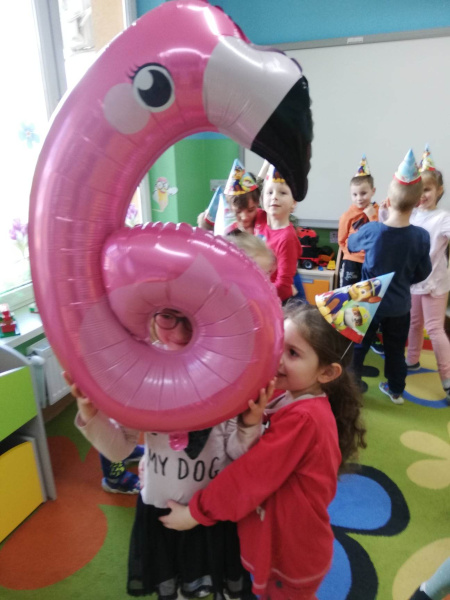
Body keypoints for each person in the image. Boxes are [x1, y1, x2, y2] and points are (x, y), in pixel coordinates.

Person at [160, 301, 367, 600]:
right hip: (283, 540)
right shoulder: (291, 395)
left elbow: (250, 475)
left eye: (292, 353)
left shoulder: (304, 419)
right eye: (279, 345)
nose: (278, 358)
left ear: (326, 372)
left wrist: (196, 512)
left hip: (291, 553)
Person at [68, 307, 271, 600]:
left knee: (222, 579)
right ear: (152, 317)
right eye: (169, 316)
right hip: (160, 510)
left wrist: (249, 425)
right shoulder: (142, 374)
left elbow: (237, 454)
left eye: (194, 316)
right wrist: (91, 414)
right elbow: (119, 449)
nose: (182, 329)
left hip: (212, 511)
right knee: (174, 584)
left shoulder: (227, 372)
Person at [348, 149, 432, 402]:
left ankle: (350, 388)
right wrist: (403, 280)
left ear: (387, 199)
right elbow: (423, 272)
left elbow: (351, 244)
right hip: (399, 306)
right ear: (417, 203)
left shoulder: (373, 230)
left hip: (368, 301)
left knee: (359, 345)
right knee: (395, 350)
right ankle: (396, 391)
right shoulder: (421, 236)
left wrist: (374, 219)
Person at [403, 146, 450, 403]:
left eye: (428, 189)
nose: (423, 195)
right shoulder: (411, 215)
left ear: (439, 191)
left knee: (434, 329)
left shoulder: (442, 218)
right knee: (414, 323)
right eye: (419, 190)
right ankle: (412, 360)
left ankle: (447, 378)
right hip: (414, 282)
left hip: (434, 284)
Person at [254, 164, 303, 303]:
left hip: (275, 302)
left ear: (293, 203)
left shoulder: (287, 238)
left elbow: (283, 287)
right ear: (262, 200)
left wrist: (256, 295)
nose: (274, 197)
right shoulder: (259, 217)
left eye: (282, 193)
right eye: (270, 193)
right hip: (260, 293)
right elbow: (249, 193)